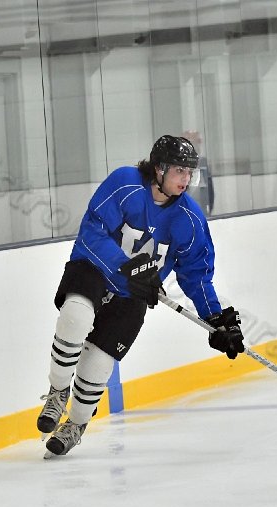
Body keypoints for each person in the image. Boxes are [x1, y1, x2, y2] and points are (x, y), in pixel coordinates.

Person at [37, 135, 245, 457]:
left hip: (133, 295)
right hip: (94, 268)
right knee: (75, 317)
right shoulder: (125, 183)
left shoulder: (189, 219)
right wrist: (128, 268)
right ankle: (57, 390)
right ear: (159, 169)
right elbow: (92, 229)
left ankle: (76, 423)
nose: (186, 180)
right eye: (179, 171)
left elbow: (195, 274)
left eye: (190, 173)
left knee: (97, 366)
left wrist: (215, 318)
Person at [181, 130, 215, 215]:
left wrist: (208, 212)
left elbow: (210, 192)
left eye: (196, 143)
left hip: (201, 212)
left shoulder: (203, 163)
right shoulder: (177, 166)